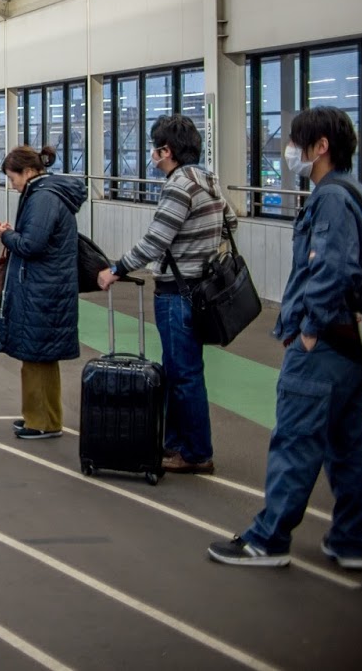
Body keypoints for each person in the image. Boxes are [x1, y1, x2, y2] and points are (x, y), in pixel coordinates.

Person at [209, 107, 362, 570]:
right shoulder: (358, 193)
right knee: (345, 447)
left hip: (321, 346)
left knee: (297, 440)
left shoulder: (330, 200)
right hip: (349, 346)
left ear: (321, 147)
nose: (290, 152)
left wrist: (308, 329)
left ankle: (268, 539)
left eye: (298, 142)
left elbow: (330, 269)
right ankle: (349, 540)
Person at [96, 115, 236, 475]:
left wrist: (116, 269)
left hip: (178, 293)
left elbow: (156, 241)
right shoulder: (207, 180)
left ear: (166, 151)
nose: (152, 156)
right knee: (180, 371)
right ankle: (173, 444)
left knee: (184, 374)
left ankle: (196, 452)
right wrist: (203, 247)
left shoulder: (178, 186)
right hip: (201, 289)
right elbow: (231, 222)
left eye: (155, 149)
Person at [0, 146, 86, 440]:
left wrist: (5, 235)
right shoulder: (46, 194)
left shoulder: (42, 197)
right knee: (38, 356)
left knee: (37, 356)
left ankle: (42, 421)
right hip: (47, 285)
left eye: (12, 177)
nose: (12, 184)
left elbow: (33, 244)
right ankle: (39, 415)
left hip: (43, 288)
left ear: (28, 172)